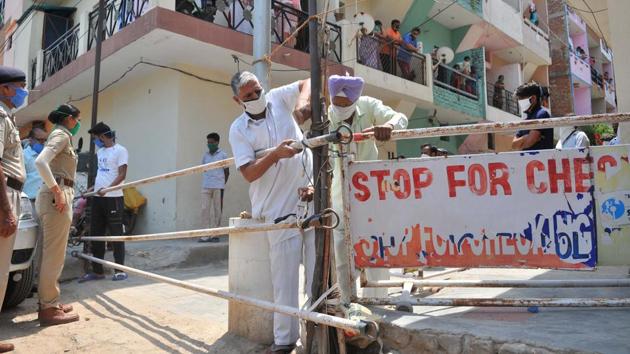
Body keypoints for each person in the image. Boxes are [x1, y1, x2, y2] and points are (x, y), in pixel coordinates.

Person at [228, 71, 315, 354]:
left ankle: (315, 334)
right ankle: (284, 340)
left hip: (309, 197)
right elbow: (249, 173)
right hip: (277, 209)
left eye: (257, 90)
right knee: (284, 277)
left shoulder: (278, 98)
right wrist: (274, 155)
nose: (255, 97)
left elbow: (308, 81)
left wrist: (302, 104)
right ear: (237, 100)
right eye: (248, 95)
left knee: (315, 273)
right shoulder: (238, 129)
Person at [327, 75, 408, 305]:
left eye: (345, 105)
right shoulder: (327, 115)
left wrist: (389, 126)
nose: (340, 109)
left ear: (355, 101)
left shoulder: (369, 105)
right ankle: (347, 303)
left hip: (371, 189)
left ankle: (378, 303)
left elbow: (399, 117)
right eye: (337, 104)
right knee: (341, 247)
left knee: (375, 245)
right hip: (339, 188)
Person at [35, 104, 82, 326]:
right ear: (70, 119)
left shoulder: (60, 135)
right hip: (57, 197)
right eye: (77, 119)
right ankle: (49, 308)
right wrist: (57, 191)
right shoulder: (61, 135)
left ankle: (49, 301)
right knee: (54, 256)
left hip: (54, 196)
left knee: (50, 255)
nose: (78, 123)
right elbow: (41, 161)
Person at [0, 66, 28, 352]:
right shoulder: (0, 116)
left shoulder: (8, 117)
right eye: (20, 86)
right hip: (4, 195)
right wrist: (7, 210)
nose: (23, 91)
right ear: (5, 88)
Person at [80, 122, 129, 282]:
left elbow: (122, 175)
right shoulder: (100, 152)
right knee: (96, 234)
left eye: (96, 138)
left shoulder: (120, 151)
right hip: (98, 198)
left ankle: (119, 270)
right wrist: (92, 189)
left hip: (113, 198)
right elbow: (102, 175)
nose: (96, 141)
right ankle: (98, 271)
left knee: (116, 235)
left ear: (102, 136)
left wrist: (108, 189)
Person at [199, 132, 229, 243]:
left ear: (217, 142)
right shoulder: (205, 156)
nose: (209, 144)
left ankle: (215, 235)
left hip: (218, 187)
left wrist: (222, 184)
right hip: (206, 186)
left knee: (218, 210)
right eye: (208, 142)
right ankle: (205, 235)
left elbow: (227, 172)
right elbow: (203, 169)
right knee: (204, 209)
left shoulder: (223, 155)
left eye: (211, 142)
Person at [512, 82, 553, 151]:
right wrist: (525, 137)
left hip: (542, 159)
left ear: (533, 98)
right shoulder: (525, 120)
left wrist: (521, 143)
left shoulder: (542, 114)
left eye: (522, 98)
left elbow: (530, 141)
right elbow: (514, 145)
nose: (519, 101)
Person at [23, 127, 49, 200]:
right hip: (29, 201)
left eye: (45, 140)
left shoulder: (47, 155)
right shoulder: (23, 155)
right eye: (40, 140)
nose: (43, 143)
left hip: (45, 201)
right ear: (30, 140)